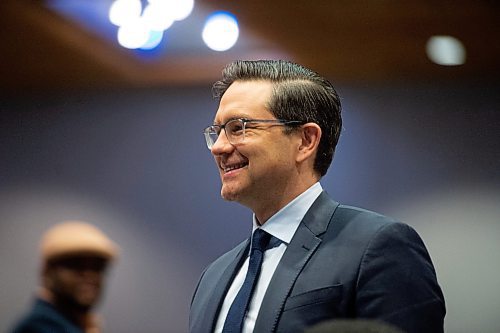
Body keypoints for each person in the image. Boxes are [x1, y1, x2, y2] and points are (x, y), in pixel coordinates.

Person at [189, 60, 446, 333]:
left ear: (306, 140)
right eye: (217, 132)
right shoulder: (213, 278)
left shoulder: (378, 247)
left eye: (239, 127)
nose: (218, 147)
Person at [10, 221, 118, 333]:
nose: (89, 275)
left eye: (98, 267)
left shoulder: (78, 324)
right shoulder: (39, 327)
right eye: (76, 264)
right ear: (47, 272)